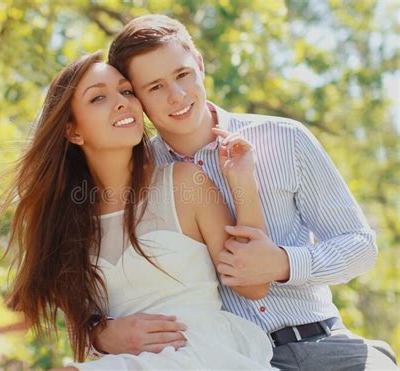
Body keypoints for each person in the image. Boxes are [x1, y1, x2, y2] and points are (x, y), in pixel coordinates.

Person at [88, 14, 398, 370]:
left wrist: (283, 262)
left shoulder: (286, 139)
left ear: (200, 65)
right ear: (137, 98)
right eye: (155, 87)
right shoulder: (142, 179)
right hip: (229, 358)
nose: (177, 96)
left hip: (323, 342)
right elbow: (105, 284)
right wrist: (100, 332)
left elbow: (359, 244)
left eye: (183, 75)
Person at [0, 52, 275, 370]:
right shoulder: (65, 221)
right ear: (73, 132)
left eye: (126, 91)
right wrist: (99, 332)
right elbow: (11, 322)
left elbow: (254, 285)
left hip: (202, 352)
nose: (123, 102)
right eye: (98, 98)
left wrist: (242, 181)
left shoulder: (184, 182)